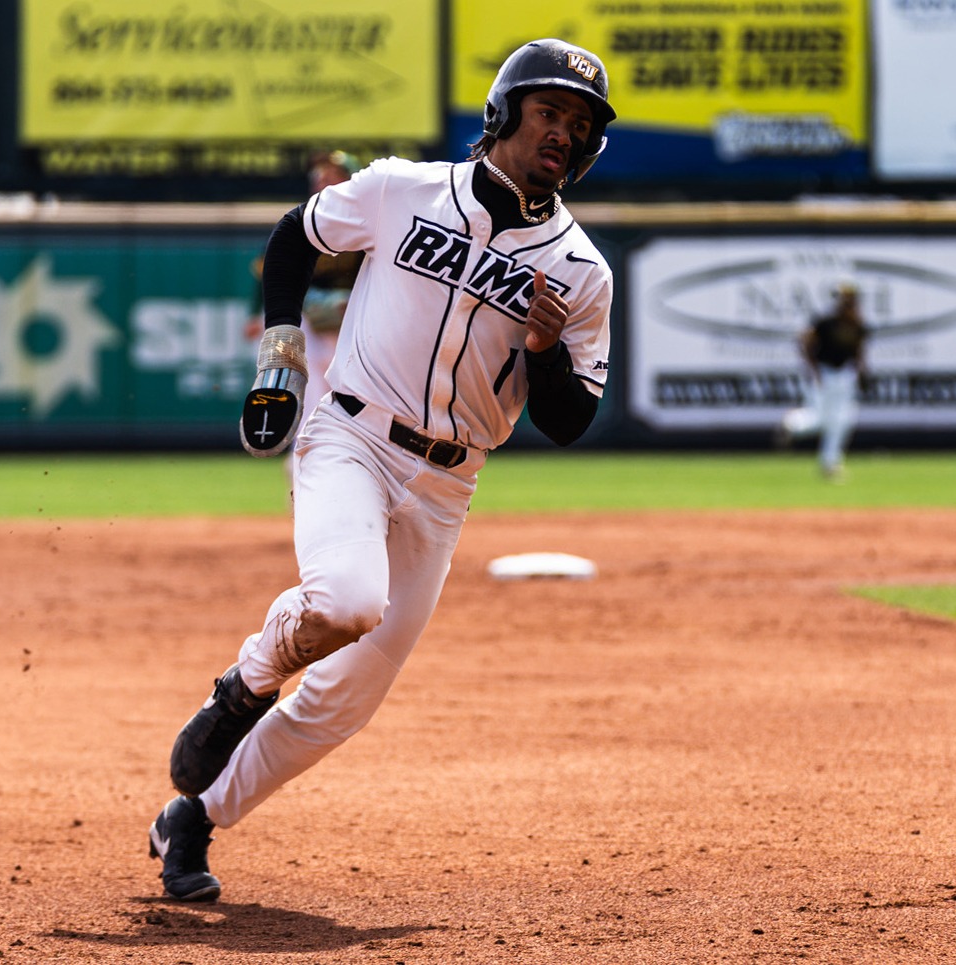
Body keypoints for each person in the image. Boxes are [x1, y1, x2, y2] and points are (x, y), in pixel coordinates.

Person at [146, 38, 618, 902]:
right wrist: (281, 349)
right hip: (350, 439)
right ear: (505, 113)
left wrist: (546, 353)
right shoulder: (405, 189)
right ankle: (244, 684)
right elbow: (296, 235)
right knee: (345, 600)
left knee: (342, 701)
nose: (561, 132)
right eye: (548, 112)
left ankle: (196, 817)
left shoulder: (581, 273)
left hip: (449, 481)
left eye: (577, 124)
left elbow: (569, 419)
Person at [242, 151, 365, 477]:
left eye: (332, 173)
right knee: (308, 403)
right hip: (310, 322)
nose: (323, 179)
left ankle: (354, 480)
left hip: (355, 325)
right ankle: (303, 478)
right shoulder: (304, 220)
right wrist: (260, 314)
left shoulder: (371, 221)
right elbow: (272, 268)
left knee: (358, 406)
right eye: (320, 175)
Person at [790, 279, 870, 481]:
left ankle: (830, 463)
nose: (849, 303)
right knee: (821, 419)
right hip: (825, 372)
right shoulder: (826, 322)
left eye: (851, 299)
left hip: (845, 374)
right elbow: (805, 342)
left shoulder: (858, 324)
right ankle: (791, 424)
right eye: (846, 299)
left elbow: (859, 350)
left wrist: (861, 371)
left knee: (843, 420)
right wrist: (813, 370)